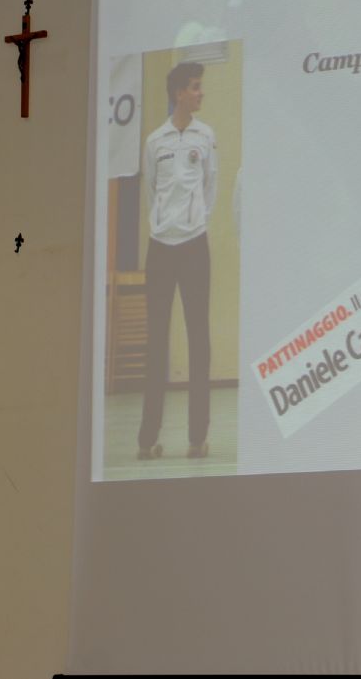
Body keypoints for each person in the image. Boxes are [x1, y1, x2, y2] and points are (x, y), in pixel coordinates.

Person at [137, 61, 219, 460]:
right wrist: (165, 226)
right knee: (156, 340)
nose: (201, 93)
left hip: (194, 247)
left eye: (200, 86)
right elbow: (151, 191)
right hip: (160, 249)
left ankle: (197, 437)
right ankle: (147, 438)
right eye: (195, 87)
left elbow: (211, 187)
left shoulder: (206, 136)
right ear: (179, 93)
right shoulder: (155, 141)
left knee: (199, 338)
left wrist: (194, 223)